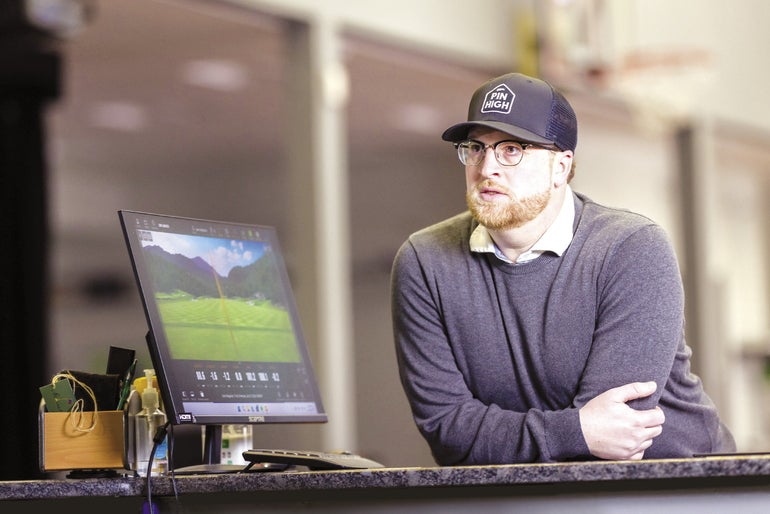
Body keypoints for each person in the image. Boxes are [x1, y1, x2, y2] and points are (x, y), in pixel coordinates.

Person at [390, 72, 735, 465]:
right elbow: (446, 429)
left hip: (686, 485)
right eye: (476, 148)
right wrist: (577, 431)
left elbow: (618, 433)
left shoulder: (630, 248)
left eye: (512, 149)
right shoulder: (424, 261)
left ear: (561, 165)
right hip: (529, 495)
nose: (487, 168)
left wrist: (503, 436)